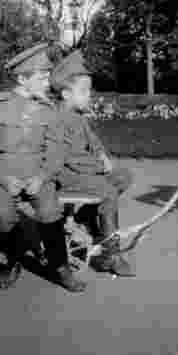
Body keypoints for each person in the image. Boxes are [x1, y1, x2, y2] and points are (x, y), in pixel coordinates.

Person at [0, 42, 86, 293]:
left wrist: (43, 176)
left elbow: (57, 150)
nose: (48, 80)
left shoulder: (49, 109)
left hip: (38, 174)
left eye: (48, 74)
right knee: (2, 215)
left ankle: (61, 267)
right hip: (5, 174)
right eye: (42, 76)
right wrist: (3, 180)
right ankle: (13, 262)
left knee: (50, 212)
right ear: (23, 78)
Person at [48, 50, 135, 277]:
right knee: (107, 191)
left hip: (83, 172)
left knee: (123, 176)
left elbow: (93, 143)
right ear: (66, 94)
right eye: (84, 91)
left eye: (89, 90)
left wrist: (103, 156)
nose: (89, 95)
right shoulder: (59, 119)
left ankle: (87, 216)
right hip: (66, 175)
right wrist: (99, 169)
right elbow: (71, 159)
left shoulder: (77, 116)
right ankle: (111, 255)